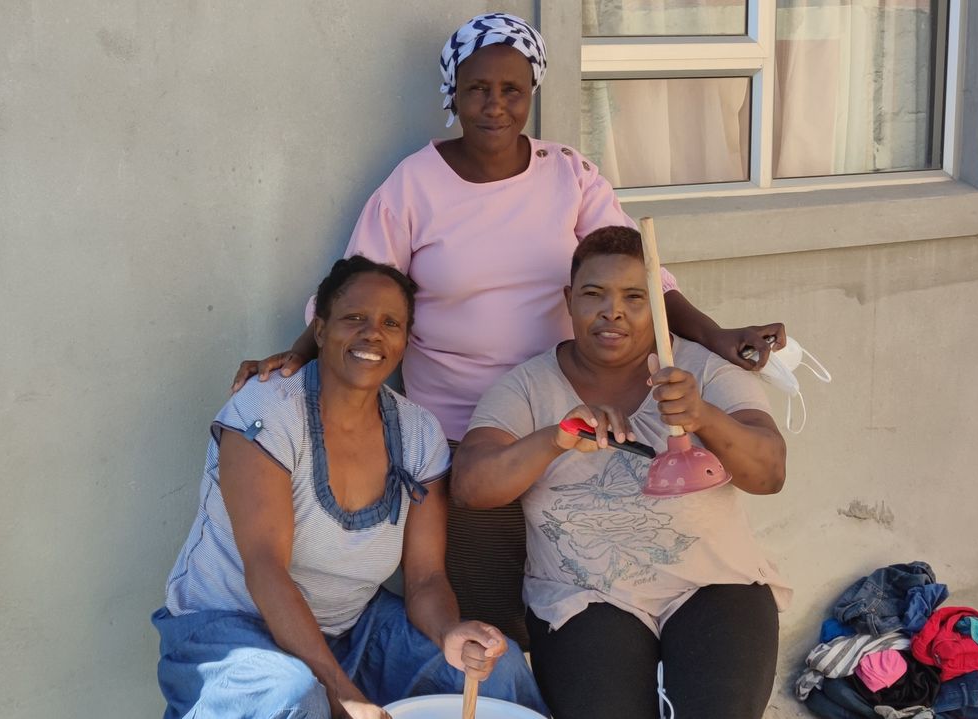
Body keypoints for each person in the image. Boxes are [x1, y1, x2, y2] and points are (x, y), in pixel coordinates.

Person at [229, 12, 786, 646]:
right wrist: (299, 355)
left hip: (571, 421)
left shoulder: (568, 173)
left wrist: (714, 337)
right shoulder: (414, 185)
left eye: (512, 90)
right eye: (477, 89)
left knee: (588, 601)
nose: (495, 105)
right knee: (495, 613)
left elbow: (641, 273)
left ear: (533, 93)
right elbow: (360, 290)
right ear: (454, 95)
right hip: (466, 437)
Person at [154, 256, 547, 719]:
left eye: (390, 323)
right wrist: (342, 693)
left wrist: (449, 634)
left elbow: (425, 579)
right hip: (230, 630)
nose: (372, 334)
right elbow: (265, 570)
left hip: (354, 631)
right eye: (354, 318)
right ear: (319, 330)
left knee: (495, 680)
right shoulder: (266, 412)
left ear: (405, 340)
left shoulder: (418, 433)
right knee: (294, 695)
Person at [452, 226, 793, 719]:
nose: (613, 311)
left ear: (658, 305)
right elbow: (470, 487)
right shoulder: (526, 388)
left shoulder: (706, 372)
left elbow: (769, 474)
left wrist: (703, 417)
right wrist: (555, 437)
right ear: (569, 301)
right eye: (594, 294)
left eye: (635, 298)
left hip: (716, 584)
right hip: (582, 598)